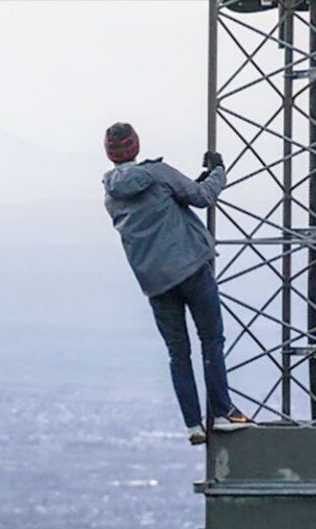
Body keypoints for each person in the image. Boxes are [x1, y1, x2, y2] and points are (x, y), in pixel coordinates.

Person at [101, 121, 253, 445]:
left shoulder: (111, 196)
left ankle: (193, 424)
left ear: (110, 154)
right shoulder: (159, 173)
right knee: (211, 340)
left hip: (156, 283)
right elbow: (201, 197)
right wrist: (219, 171)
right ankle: (223, 412)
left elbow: (161, 206)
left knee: (177, 352)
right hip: (192, 270)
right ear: (136, 145)